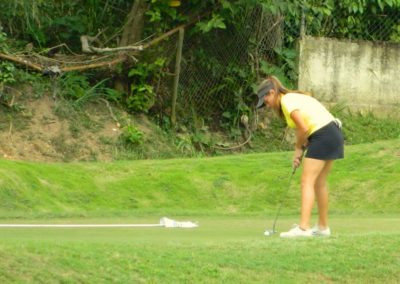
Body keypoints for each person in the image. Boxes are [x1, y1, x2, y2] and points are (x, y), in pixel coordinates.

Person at [256, 76, 344, 238]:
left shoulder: (286, 101)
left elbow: (303, 128)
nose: (266, 104)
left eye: (266, 99)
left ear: (272, 92)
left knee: (307, 181)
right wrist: (301, 150)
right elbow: (303, 128)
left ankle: (303, 228)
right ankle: (323, 227)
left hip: (323, 134)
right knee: (319, 182)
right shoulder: (294, 98)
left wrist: (298, 149)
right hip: (333, 133)